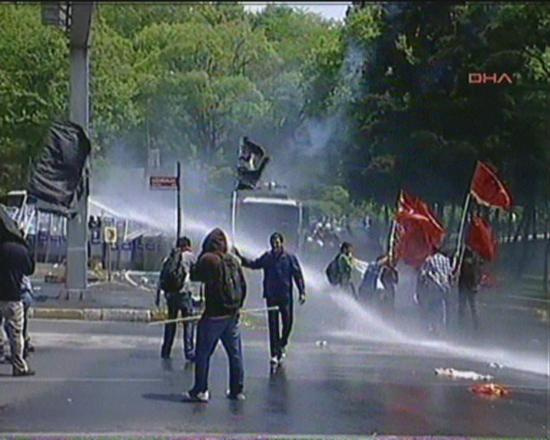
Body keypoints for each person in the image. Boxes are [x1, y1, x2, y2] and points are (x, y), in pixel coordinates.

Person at [183, 228, 247, 403]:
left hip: (213, 316)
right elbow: (243, 286)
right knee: (235, 355)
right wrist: (237, 308)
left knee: (202, 353)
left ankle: (200, 390)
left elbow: (195, 275)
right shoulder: (233, 261)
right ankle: (237, 390)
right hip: (232, 316)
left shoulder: (209, 259)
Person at [235, 232, 306, 367]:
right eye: (273, 242)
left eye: (277, 242)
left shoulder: (289, 258)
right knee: (273, 326)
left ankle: (282, 343)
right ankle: (274, 353)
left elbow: (298, 275)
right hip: (271, 296)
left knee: (288, 323)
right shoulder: (267, 257)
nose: (275, 244)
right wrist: (240, 257)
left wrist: (302, 292)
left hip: (285, 296)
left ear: (282, 243)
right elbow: (254, 264)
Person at [0, 234, 36, 376]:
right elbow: (30, 269)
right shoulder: (20, 250)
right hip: (13, 296)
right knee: (16, 333)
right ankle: (19, 366)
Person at [156, 236, 196, 361]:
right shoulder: (190, 256)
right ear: (187, 246)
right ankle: (189, 352)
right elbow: (198, 273)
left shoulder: (169, 258)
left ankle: (166, 350)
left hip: (170, 295)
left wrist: (158, 296)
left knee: (171, 323)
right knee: (188, 323)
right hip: (184, 295)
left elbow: (161, 278)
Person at [416, 249, 454, 335]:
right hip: (445, 287)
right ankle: (443, 328)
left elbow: (423, 274)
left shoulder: (430, 260)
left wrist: (420, 288)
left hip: (434, 287)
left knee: (432, 307)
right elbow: (450, 274)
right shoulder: (446, 260)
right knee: (443, 308)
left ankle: (433, 328)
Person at [458, 246, 483, 332]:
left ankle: (462, 326)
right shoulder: (477, 260)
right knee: (472, 308)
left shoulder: (466, 261)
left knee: (465, 308)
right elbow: (480, 273)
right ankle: (476, 326)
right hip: (472, 287)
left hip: (466, 286)